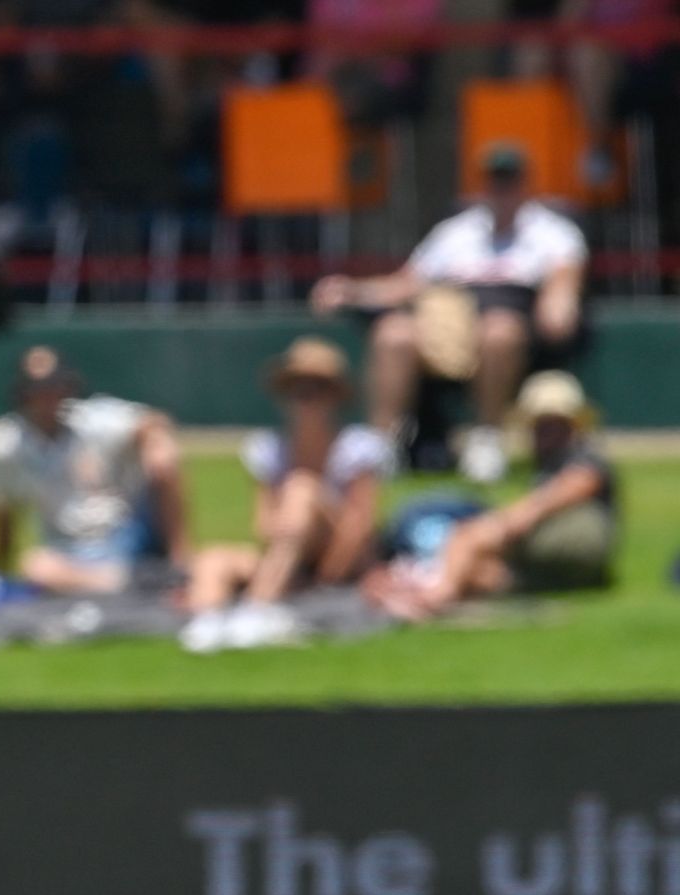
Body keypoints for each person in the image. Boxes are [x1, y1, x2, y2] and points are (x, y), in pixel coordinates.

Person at [310, 143, 588, 484]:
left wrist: (559, 305)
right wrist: (352, 290)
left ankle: (487, 439)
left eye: (510, 180)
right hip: (445, 325)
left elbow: (563, 283)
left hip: (512, 331)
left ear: (525, 183)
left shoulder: (553, 232)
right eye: (495, 180)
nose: (502, 189)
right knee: (393, 332)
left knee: (497, 330)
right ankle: (382, 445)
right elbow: (407, 282)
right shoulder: (456, 231)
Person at [180, 338, 394, 652]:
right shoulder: (269, 449)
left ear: (334, 397)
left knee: (301, 490)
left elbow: (359, 527)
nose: (306, 400)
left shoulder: (358, 447)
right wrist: (286, 560)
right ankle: (207, 622)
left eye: (316, 390)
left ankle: (258, 608)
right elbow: (264, 524)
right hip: (289, 554)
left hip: (340, 558)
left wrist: (325, 581)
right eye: (298, 391)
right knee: (214, 558)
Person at [367, 370, 617, 620]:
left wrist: (503, 525)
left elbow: (562, 494)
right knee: (478, 570)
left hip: (569, 548)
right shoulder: (545, 469)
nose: (546, 433)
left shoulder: (586, 459)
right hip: (540, 564)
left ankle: (438, 595)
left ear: (574, 425)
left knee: (467, 538)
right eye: (541, 425)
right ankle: (419, 591)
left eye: (555, 424)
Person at [0, 345, 189, 594]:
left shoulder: (93, 419)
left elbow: (155, 421)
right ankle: (130, 581)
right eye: (37, 388)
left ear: (68, 386)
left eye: (55, 385)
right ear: (23, 393)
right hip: (69, 548)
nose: (48, 396)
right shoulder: (7, 444)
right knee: (36, 567)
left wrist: (153, 446)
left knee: (163, 456)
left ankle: (180, 565)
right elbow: (3, 513)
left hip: (129, 532)